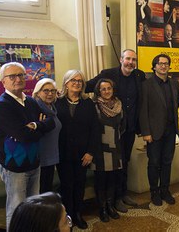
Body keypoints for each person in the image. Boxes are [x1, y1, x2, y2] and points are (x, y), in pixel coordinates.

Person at [0, 62, 55, 230]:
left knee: (33, 209)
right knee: (16, 210)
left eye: (21, 75)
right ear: (3, 82)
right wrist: (39, 126)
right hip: (14, 167)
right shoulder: (2, 105)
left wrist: (34, 125)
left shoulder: (31, 102)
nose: (17, 79)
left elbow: (51, 122)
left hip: (34, 163)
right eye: (12, 76)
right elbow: (22, 135)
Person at [86, 49, 145, 212]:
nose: (130, 62)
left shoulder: (139, 76)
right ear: (121, 59)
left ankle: (122, 194)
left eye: (134, 59)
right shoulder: (108, 74)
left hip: (129, 128)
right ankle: (109, 202)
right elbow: (89, 86)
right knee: (107, 169)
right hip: (108, 132)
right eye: (128, 59)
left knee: (124, 162)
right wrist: (68, 88)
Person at [55, 69, 99, 229]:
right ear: (66, 83)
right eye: (73, 80)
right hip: (62, 154)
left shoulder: (88, 103)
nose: (77, 83)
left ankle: (78, 214)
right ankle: (67, 217)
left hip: (83, 154)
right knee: (66, 186)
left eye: (80, 81)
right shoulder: (56, 102)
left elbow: (95, 129)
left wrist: (90, 152)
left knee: (79, 185)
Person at [140, 54, 179, 206]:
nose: (163, 66)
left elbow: (176, 105)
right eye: (160, 63)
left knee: (167, 162)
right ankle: (154, 192)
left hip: (170, 130)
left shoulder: (174, 84)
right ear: (154, 66)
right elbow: (143, 110)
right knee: (154, 162)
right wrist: (146, 132)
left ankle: (165, 190)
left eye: (166, 63)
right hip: (154, 132)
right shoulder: (146, 85)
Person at [91, 79, 124, 222]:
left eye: (109, 88)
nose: (106, 91)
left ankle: (110, 206)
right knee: (101, 180)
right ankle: (102, 208)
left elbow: (123, 125)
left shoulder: (118, 105)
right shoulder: (94, 106)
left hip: (115, 146)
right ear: (98, 91)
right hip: (99, 148)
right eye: (103, 89)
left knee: (112, 178)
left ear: (113, 89)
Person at [32, 78, 62, 193]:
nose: (50, 94)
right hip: (40, 159)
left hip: (51, 157)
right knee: (41, 193)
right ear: (37, 93)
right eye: (46, 91)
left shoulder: (53, 108)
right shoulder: (36, 109)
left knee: (47, 190)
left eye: (52, 91)